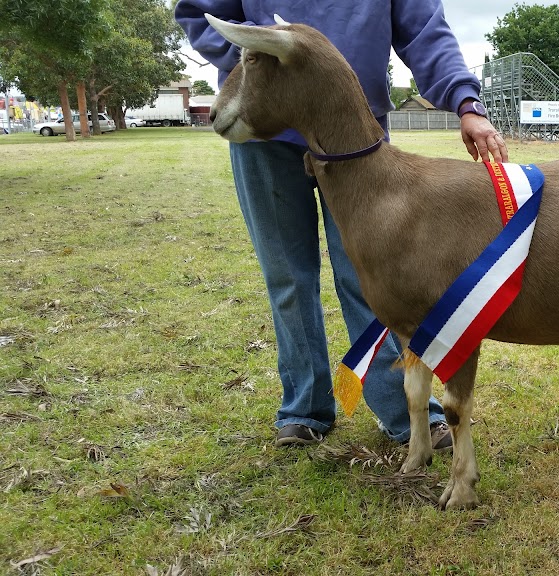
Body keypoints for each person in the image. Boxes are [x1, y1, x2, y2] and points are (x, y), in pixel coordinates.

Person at [174, 1, 509, 448]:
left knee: (375, 277)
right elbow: (201, 10)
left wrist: (466, 101)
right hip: (264, 132)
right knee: (287, 277)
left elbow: (424, 28)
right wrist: (258, 56)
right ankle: (305, 408)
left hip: (354, 133)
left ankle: (405, 412)